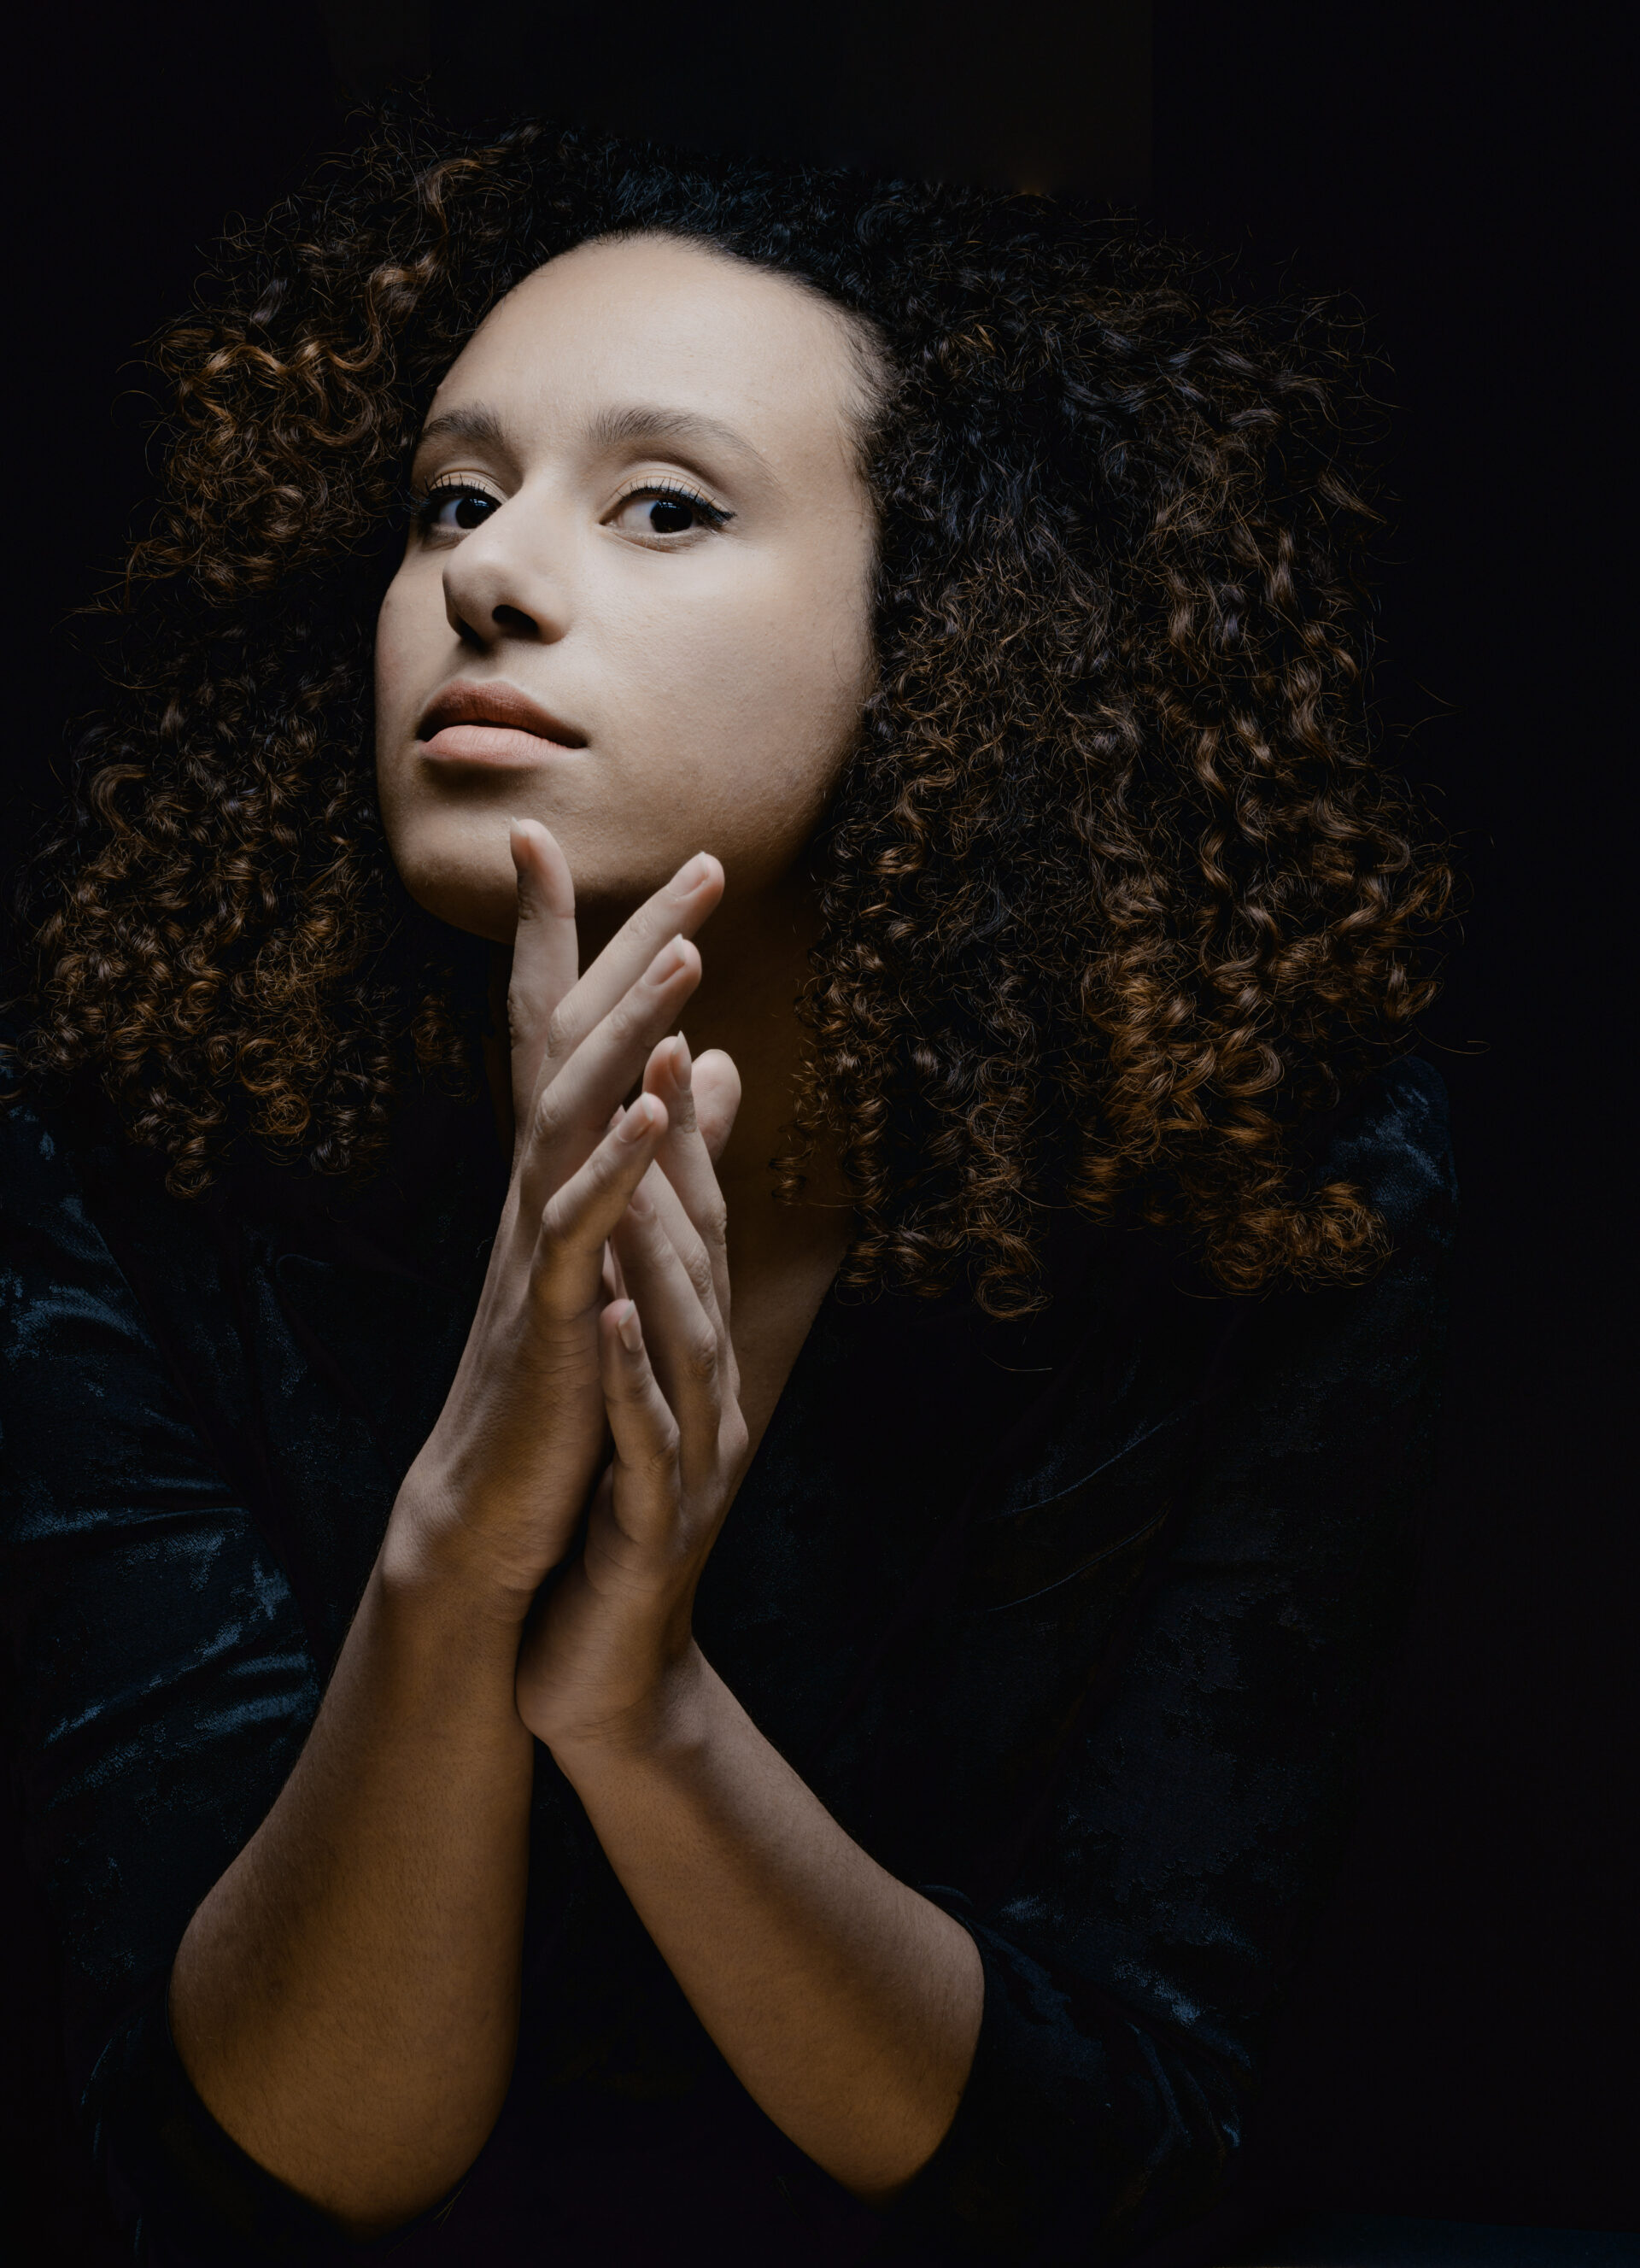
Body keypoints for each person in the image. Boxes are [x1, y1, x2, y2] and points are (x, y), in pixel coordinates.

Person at [0, 116, 1459, 2267]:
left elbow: (1122, 2153)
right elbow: (241, 2168)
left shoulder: (1259, 1207)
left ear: (953, 627)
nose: (490, 576)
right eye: (452, 499)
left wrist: (644, 1709)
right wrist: (455, 1558)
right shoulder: (141, 1158)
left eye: (665, 505)